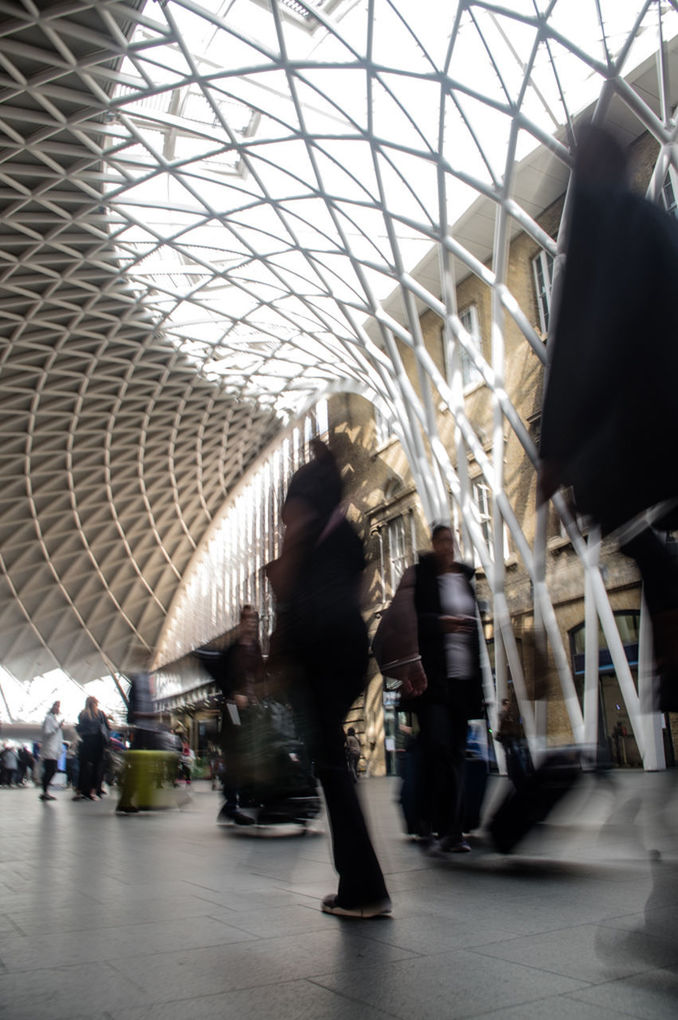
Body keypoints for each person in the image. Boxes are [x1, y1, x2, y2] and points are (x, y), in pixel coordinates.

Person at [539, 122, 678, 711]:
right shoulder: (657, 222)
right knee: (640, 534)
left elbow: (581, 345)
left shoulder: (599, 232)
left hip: (641, 427)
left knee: (628, 526)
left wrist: (557, 453)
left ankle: (672, 657)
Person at [266, 439, 391, 918]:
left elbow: (289, 579)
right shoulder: (345, 531)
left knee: (331, 767)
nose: (285, 525)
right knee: (332, 761)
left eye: (287, 516)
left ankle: (363, 888)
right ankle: (362, 884)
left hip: (318, 645)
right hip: (350, 646)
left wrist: (281, 641)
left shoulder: (305, 525)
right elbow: (359, 590)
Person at [388, 524, 484, 855]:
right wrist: (439, 623)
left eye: (451, 542)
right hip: (431, 680)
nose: (448, 547)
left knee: (454, 753)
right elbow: (408, 621)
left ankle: (452, 830)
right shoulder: (421, 577)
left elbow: (475, 640)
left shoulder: (464, 581)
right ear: (433, 544)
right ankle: (431, 822)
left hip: (462, 680)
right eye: (442, 542)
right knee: (439, 747)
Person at [74, 695, 109, 800]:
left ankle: (81, 791)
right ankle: (93, 791)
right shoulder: (100, 714)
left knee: (83, 767)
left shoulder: (82, 714)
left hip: (86, 743)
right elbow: (107, 727)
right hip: (98, 743)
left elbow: (80, 728)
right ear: (96, 703)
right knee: (97, 768)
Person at [40, 701, 63, 801]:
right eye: (57, 706)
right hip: (50, 749)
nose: (58, 709)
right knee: (50, 770)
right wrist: (58, 727)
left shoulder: (52, 719)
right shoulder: (49, 719)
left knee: (51, 770)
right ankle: (45, 791)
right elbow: (47, 732)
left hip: (53, 749)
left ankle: (45, 791)